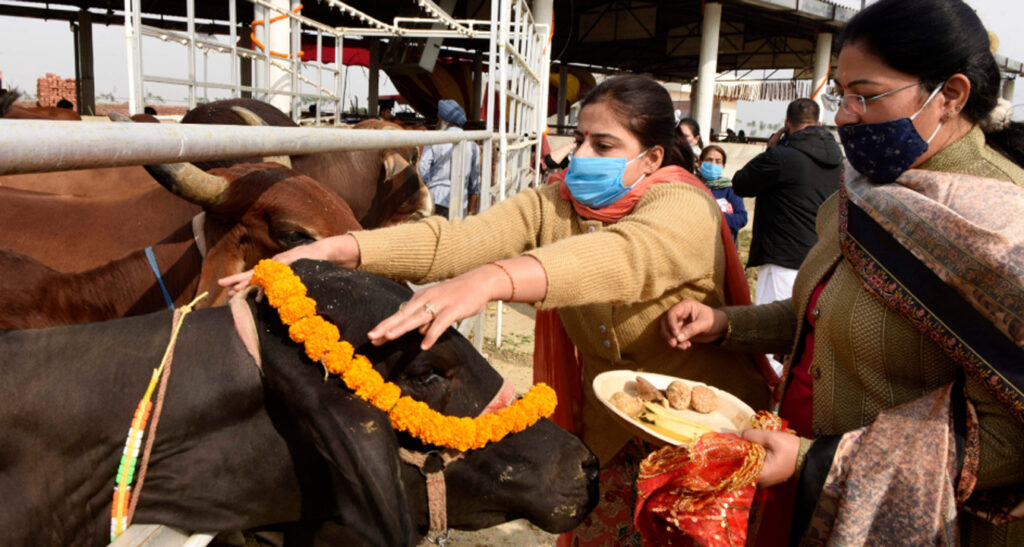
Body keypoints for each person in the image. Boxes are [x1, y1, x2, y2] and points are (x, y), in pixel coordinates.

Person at [222, 74, 773, 544]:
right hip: (614, 434)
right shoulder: (558, 202)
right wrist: (341, 247)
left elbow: (623, 257)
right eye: (579, 139)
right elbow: (457, 242)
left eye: (603, 147)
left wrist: (494, 280)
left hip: (707, 440)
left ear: (651, 157)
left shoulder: (685, 206)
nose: (579, 156)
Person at [662, 0, 1024, 543]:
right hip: (806, 483)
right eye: (840, 94)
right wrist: (725, 324)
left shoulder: (1004, 225)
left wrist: (822, 461)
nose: (842, 115)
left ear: (949, 95)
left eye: (866, 96)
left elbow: (1009, 435)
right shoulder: (862, 191)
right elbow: (819, 311)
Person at [731, 97, 842, 374]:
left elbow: (741, 183)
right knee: (806, 335)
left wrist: (770, 150)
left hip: (783, 258)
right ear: (819, 124)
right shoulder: (839, 161)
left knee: (769, 336)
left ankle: (768, 401)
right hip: (824, 261)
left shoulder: (781, 157)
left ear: (786, 124)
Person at [418, 99, 481, 217]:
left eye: (439, 119)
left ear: (445, 122)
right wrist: (472, 212)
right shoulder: (473, 146)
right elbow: (475, 185)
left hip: (436, 202)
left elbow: (422, 172)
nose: (438, 122)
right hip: (461, 204)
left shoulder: (433, 140)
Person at [696, 145, 747, 243]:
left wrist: (716, 217)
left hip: (722, 245)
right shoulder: (691, 185)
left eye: (718, 161)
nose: (713, 164)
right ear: (700, 163)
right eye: (709, 160)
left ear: (723, 166)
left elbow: (741, 218)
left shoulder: (730, 189)